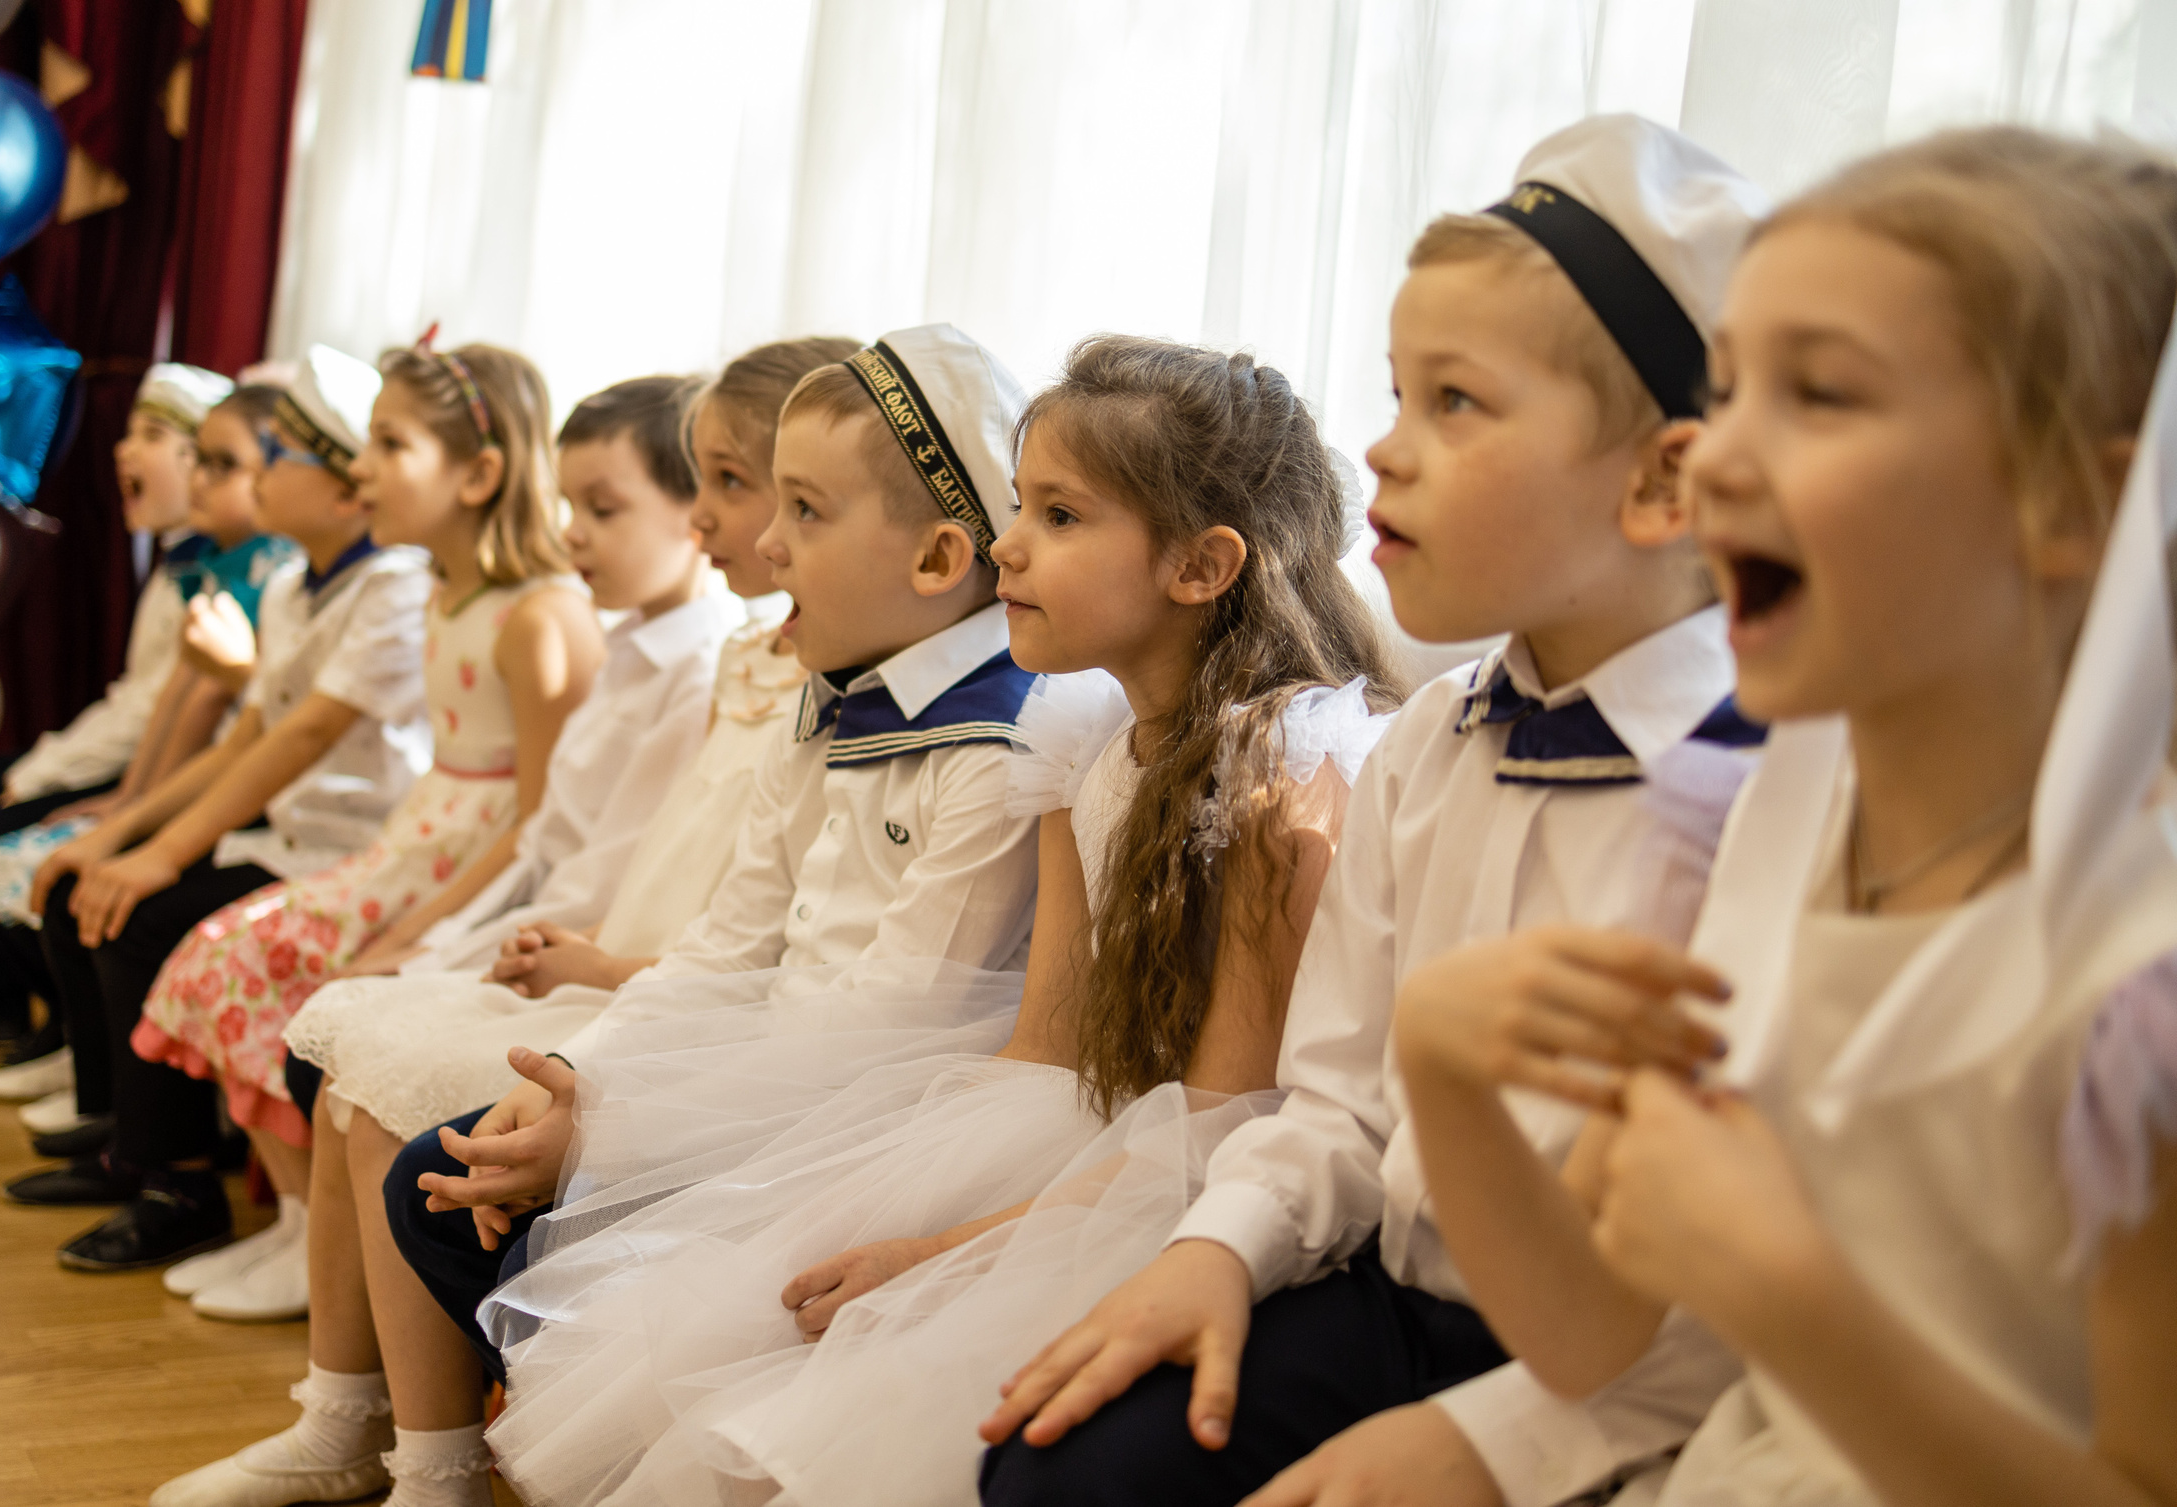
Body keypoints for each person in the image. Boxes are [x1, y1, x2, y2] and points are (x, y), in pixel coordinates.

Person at [978, 116, 1770, 1507]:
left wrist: (1496, 1438)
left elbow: (1749, 1270)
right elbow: (1339, 1099)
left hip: (1642, 1380)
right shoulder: (1431, 748)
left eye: (1454, 403)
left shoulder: (1769, 782)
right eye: (1397, 395)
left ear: (1661, 478)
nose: (1385, 451)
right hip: (1394, 1295)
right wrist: (1216, 1243)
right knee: (1053, 1472)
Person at [481, 336, 1406, 1507]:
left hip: (1194, 1190)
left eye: (1061, 517)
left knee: (824, 1446)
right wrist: (889, 1220)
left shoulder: (1283, 772)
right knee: (734, 1334)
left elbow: (1215, 1124)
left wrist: (941, 1255)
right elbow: (1045, 1050)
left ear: (1200, 566)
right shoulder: (1077, 748)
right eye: (1020, 504)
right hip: (1069, 1136)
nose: (1008, 544)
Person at [1392, 129, 2177, 1507]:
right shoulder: (1770, 829)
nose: (1715, 456)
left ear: (2077, 501)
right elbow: (1588, 1335)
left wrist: (1789, 1294)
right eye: (1728, 387)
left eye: (1819, 393)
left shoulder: (2138, 994)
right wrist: (1441, 1072)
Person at [146, 337, 855, 1507]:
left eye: (740, 485)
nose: (734, 517)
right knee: (350, 1042)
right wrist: (509, 944)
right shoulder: (729, 652)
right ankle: (350, 1423)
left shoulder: (755, 667)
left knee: (379, 1077)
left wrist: (589, 965)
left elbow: (714, 900)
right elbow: (602, 846)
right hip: (625, 955)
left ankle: (431, 1467)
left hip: (669, 987)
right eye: (719, 481)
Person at [379, 325, 1047, 1504]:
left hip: (865, 1133)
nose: (765, 543)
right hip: (753, 1082)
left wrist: (610, 1138)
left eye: (804, 510)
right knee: (441, 1181)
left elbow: (886, 1029)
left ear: (942, 555)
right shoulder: (833, 692)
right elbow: (724, 946)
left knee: (591, 1284)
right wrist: (571, 1087)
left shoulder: (999, 746)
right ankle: (440, 1474)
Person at [152, 372, 718, 1324]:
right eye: (572, 505)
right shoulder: (617, 639)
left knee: (345, 1025)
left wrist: (459, 941)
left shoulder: (655, 654)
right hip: (500, 892)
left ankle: (339, 1318)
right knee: (322, 1003)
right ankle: (308, 1255)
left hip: (564, 928)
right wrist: (438, 933)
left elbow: (593, 859)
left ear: (693, 513)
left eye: (603, 508)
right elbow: (547, 837)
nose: (573, 530)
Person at [88, 341, 597, 1284]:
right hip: (417, 843)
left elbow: (541, 823)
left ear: (480, 474)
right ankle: (294, 1221)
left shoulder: (532, 618)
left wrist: (416, 931)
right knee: (210, 960)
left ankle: (309, 1241)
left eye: (387, 445)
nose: (362, 469)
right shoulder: (446, 594)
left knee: (261, 972)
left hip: (461, 873)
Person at [12, 347, 439, 1272]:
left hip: (354, 848)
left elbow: (301, 739)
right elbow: (247, 737)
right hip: (282, 836)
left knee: (142, 922)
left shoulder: (396, 586)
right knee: (101, 888)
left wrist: (159, 856)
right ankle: (134, 1144)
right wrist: (123, 832)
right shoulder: (293, 586)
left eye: (276, 455)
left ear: (341, 493)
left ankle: (178, 1185)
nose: (259, 474)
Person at [0, 380, 294, 1131]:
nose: (203, 480)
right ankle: (88, 1070)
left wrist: (138, 819)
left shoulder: (275, 576)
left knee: (105, 904)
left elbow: (252, 720)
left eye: (223, 464)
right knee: (57, 868)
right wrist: (126, 806)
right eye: (200, 461)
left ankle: (127, 1124)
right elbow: (185, 697)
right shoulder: (222, 568)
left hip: (255, 802)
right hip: (206, 785)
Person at [0, 362, 246, 1054]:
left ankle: (59, 1030)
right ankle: (15, 1013)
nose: (123, 450)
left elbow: (169, 712)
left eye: (155, 436)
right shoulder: (182, 566)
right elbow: (149, 700)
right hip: (147, 773)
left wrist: (86, 785)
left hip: (173, 782)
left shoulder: (224, 576)